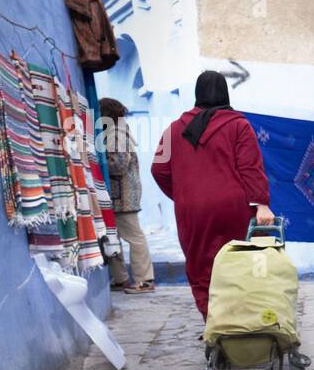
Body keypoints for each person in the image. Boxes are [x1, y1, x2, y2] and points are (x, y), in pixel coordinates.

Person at [151, 71, 273, 319]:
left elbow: (158, 169)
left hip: (191, 210)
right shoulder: (239, 125)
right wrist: (261, 204)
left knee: (200, 266)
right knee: (238, 262)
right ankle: (240, 323)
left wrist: (183, 194)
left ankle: (215, 325)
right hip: (233, 207)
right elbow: (250, 168)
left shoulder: (173, 130)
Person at [100, 98, 155, 294]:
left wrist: (99, 163)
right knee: (112, 237)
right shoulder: (114, 133)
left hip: (124, 196)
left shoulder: (117, 134)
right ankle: (120, 278)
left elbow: (119, 164)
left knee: (133, 237)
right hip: (119, 195)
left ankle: (144, 280)